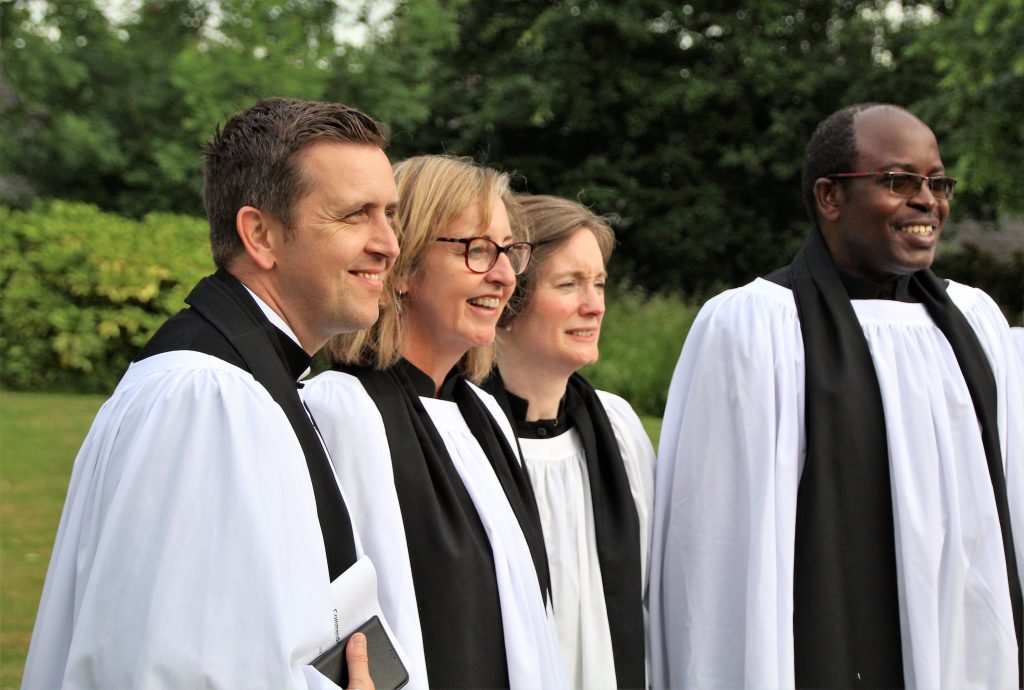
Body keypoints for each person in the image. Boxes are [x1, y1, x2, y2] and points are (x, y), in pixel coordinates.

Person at [21, 98, 401, 689]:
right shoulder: (206, 400)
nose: (389, 243)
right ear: (260, 234)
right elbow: (178, 671)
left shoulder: (245, 380)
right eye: (355, 215)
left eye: (389, 214)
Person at [650, 103, 1023, 688]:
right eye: (899, 181)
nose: (928, 200)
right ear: (830, 197)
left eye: (937, 181)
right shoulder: (755, 327)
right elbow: (716, 546)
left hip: (960, 649)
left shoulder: (974, 324)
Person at [301, 155, 566, 689]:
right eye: (477, 249)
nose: (503, 275)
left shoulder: (485, 414)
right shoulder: (343, 411)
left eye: (510, 252)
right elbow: (331, 615)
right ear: (403, 268)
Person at [480, 194, 655, 690]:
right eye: (569, 284)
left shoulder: (617, 430)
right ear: (510, 297)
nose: (594, 304)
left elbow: (650, 593)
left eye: (599, 283)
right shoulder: (465, 434)